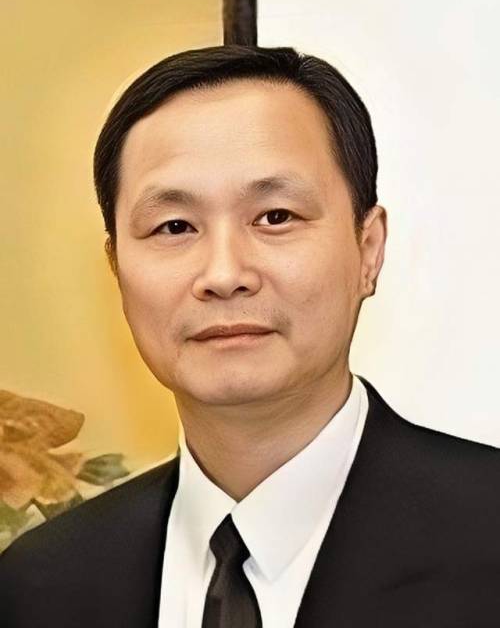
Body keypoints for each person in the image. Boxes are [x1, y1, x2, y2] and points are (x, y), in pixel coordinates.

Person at [0, 45, 498, 627]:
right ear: (117, 269)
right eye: (174, 226)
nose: (223, 274)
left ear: (368, 249)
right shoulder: (39, 586)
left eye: (275, 217)